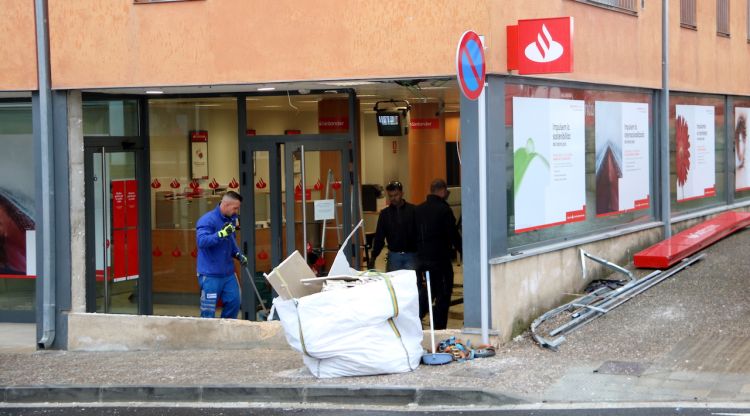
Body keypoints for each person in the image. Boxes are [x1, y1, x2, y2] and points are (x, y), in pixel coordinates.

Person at [416, 179, 462, 330]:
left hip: (422, 260)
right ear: (442, 191)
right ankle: (439, 329)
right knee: (442, 295)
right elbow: (453, 235)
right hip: (440, 261)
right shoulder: (444, 210)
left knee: (427, 292)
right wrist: (464, 252)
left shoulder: (419, 209)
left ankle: (415, 319)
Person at [195, 191, 247, 319]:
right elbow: (201, 241)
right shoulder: (207, 220)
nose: (236, 211)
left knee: (234, 302)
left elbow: (231, 241)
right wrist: (220, 234)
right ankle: (208, 336)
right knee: (208, 311)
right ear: (226, 204)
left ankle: (226, 332)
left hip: (228, 273)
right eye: (235, 208)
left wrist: (238, 254)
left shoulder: (231, 219)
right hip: (210, 274)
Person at [368, 181, 419, 272]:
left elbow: (420, 233)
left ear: (402, 193)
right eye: (390, 196)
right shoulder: (385, 214)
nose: (393, 198)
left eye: (396, 195)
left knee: (411, 284)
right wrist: (374, 256)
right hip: (394, 256)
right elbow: (379, 237)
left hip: (412, 255)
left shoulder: (413, 210)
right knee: (393, 285)